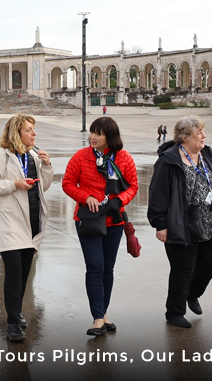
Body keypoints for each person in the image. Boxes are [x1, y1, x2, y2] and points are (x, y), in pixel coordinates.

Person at [148, 115, 212, 328]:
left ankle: (192, 293)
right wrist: (160, 225)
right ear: (184, 138)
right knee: (182, 269)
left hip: (208, 223)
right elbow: (158, 194)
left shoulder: (208, 154)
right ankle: (174, 313)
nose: (204, 136)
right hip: (180, 223)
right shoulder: (169, 160)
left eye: (203, 132)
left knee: (211, 264)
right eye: (199, 133)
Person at [62, 117, 138, 336]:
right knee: (95, 266)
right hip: (88, 220)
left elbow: (133, 186)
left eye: (98, 133)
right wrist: (85, 197)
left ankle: (103, 313)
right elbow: (67, 183)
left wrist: (120, 200)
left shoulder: (123, 158)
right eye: (92, 132)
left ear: (110, 137)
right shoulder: (81, 156)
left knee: (107, 268)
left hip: (114, 219)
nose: (92, 137)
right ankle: (97, 318)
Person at [0, 114, 53, 342]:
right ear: (17, 133)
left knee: (24, 273)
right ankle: (12, 322)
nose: (34, 134)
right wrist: (14, 184)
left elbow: (44, 186)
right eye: (29, 130)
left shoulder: (32, 156)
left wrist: (47, 165)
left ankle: (17, 311)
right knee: (13, 272)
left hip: (31, 220)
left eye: (34, 130)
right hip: (10, 221)